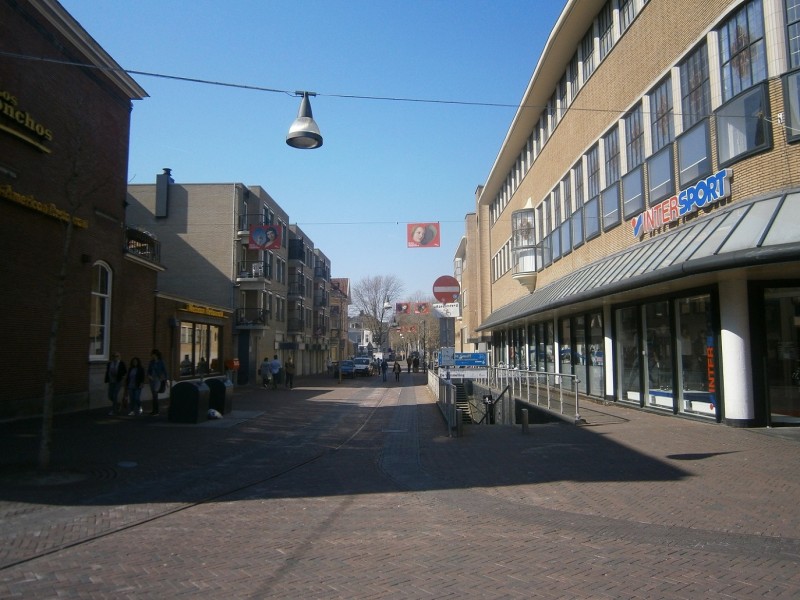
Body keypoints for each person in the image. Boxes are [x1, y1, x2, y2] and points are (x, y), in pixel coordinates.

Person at [146, 349, 168, 416]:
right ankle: (154, 410)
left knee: (155, 395)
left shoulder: (161, 362)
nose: (152, 356)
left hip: (158, 379)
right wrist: (149, 375)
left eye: (153, 354)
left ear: (156, 355)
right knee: (154, 395)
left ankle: (156, 411)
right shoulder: (151, 362)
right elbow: (148, 370)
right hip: (152, 380)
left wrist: (165, 379)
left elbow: (165, 371)